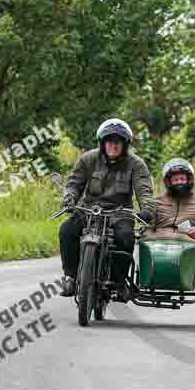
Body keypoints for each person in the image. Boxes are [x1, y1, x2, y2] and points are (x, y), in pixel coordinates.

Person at [58, 118, 155, 298]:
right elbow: (74, 184)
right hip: (89, 210)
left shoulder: (136, 164)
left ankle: (119, 282)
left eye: (118, 142)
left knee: (126, 238)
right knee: (66, 230)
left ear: (125, 144)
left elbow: (144, 191)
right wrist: (69, 199)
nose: (113, 145)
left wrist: (147, 210)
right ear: (102, 142)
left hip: (119, 212)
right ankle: (70, 277)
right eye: (109, 141)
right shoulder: (88, 159)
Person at [148, 158, 195, 241]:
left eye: (182, 179)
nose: (179, 182)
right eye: (175, 180)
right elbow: (147, 227)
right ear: (169, 182)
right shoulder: (155, 202)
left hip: (188, 243)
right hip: (160, 242)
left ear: (189, 180)